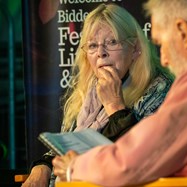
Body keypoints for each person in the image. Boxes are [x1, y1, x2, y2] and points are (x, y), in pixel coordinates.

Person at [52, 0, 187, 186]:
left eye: (161, 43)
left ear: (183, 32)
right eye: (93, 46)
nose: (163, 59)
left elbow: (133, 159)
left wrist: (75, 167)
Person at [22, 3, 173, 187]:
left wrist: (115, 105)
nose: (101, 53)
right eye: (93, 45)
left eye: (112, 42)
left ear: (135, 49)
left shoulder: (161, 89)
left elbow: (142, 159)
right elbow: (66, 148)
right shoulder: (87, 91)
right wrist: (43, 166)